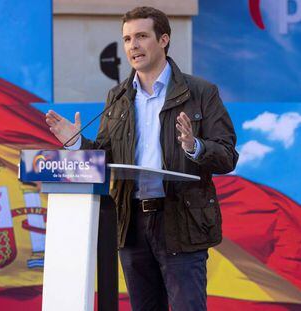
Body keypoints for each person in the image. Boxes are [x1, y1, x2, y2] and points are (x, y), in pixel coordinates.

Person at [45, 6, 238, 311]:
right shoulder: (118, 97)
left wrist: (194, 146)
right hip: (132, 224)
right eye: (127, 39)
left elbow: (227, 155)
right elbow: (107, 157)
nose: (133, 45)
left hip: (181, 220)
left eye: (141, 36)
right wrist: (75, 143)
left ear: (163, 39)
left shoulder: (201, 92)